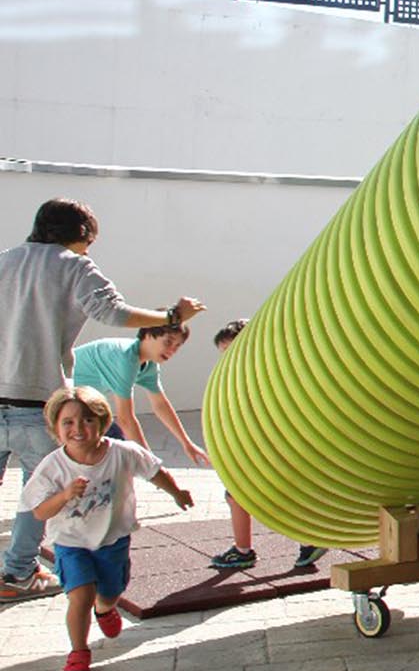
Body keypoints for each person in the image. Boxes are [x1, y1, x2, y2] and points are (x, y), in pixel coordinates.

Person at [1, 197, 203, 603]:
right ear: (82, 236)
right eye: (89, 242)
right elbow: (112, 312)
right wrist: (172, 317)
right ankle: (17, 573)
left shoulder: (5, 260)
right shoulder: (74, 266)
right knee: (39, 493)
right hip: (35, 401)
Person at [20, 386, 194, 671]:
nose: (78, 428)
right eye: (68, 422)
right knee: (81, 595)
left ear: (102, 422)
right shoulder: (52, 466)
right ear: (55, 428)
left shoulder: (122, 453)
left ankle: (104, 609)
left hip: (112, 540)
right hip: (71, 543)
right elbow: (39, 511)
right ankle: (78, 651)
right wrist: (64, 495)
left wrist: (177, 493)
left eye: (87, 420)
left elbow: (154, 471)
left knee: (111, 591)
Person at [206, 320, 329, 570]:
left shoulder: (257, 374)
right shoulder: (265, 369)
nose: (226, 359)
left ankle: (244, 551)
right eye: (223, 354)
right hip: (274, 445)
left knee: (239, 494)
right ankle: (308, 540)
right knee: (261, 494)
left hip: (271, 445)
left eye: (230, 351)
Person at [69, 326, 206, 463]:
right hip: (61, 398)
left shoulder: (149, 364)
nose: (172, 350)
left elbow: (160, 404)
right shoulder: (125, 358)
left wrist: (187, 443)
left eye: (177, 346)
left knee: (115, 449)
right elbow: (125, 420)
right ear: (148, 335)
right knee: (114, 446)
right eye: (168, 342)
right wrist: (151, 463)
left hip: (78, 404)